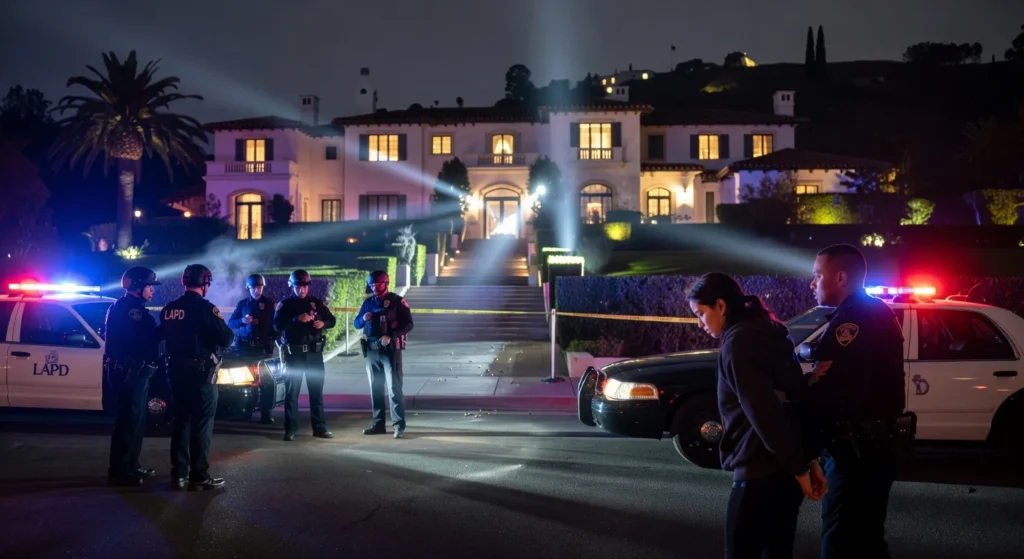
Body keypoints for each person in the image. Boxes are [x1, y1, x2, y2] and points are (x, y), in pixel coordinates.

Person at [687, 272, 827, 559]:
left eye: (701, 314)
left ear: (721, 306)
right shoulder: (773, 335)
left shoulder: (738, 344)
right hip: (787, 473)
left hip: (757, 471)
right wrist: (807, 459)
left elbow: (763, 413)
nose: (699, 323)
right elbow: (797, 400)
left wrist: (801, 469)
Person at [803, 243, 910, 559]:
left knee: (842, 541)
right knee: (868, 538)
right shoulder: (873, 310)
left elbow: (839, 390)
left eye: (818, 275)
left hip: (855, 451)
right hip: (874, 445)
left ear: (840, 277)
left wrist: (805, 395)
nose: (812, 283)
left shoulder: (853, 320)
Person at [160, 264, 235, 491]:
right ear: (205, 283)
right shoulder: (206, 309)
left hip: (176, 372)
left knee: (181, 421)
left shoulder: (169, 309)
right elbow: (226, 338)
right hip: (201, 374)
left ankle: (179, 474)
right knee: (202, 423)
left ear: (184, 281)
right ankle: (199, 476)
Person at [104, 266, 162, 487]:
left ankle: (131, 464)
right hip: (130, 372)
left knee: (136, 421)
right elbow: (144, 340)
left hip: (133, 371)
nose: (152, 290)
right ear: (137, 286)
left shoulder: (128, 307)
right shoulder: (131, 311)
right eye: (149, 286)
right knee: (128, 421)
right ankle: (120, 471)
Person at [273, 269, 336, 441]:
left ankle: (320, 427)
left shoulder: (316, 303)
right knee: (292, 394)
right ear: (292, 286)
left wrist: (323, 322)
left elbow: (332, 320)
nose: (301, 290)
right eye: (298, 287)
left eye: (304, 286)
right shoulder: (285, 304)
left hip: (314, 355)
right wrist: (296, 319)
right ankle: (291, 429)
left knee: (316, 393)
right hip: (294, 356)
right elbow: (277, 325)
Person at [354, 270, 413, 438]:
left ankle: (398, 426)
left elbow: (408, 324)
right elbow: (357, 324)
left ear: (385, 283)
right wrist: (363, 319)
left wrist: (391, 335)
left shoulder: (397, 301)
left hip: (390, 350)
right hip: (372, 350)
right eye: (371, 284)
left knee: (394, 389)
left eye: (377, 284)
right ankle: (378, 424)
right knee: (376, 389)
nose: (374, 287)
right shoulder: (368, 303)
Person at [227, 273, 276, 424]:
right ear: (249, 288)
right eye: (254, 287)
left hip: (262, 349)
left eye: (259, 287)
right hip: (244, 348)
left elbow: (276, 326)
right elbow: (231, 323)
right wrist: (243, 320)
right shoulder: (242, 304)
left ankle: (266, 414)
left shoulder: (270, 304)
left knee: (266, 382)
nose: (257, 290)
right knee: (244, 381)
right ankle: (245, 412)